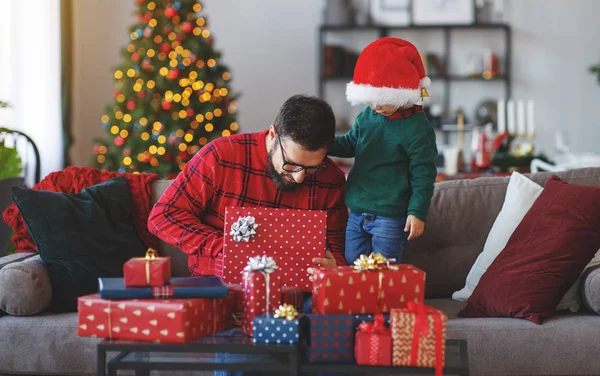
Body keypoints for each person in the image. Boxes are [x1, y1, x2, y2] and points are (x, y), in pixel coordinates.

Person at [148, 94, 348, 376]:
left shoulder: (332, 179)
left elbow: (337, 250)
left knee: (334, 353)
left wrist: (333, 265)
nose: (300, 177)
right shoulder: (220, 157)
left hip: (298, 295)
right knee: (244, 360)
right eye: (292, 164)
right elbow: (162, 216)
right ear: (273, 134)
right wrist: (224, 248)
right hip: (227, 287)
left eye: (312, 168)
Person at [329, 37, 438, 265]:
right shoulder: (367, 116)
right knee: (352, 264)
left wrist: (417, 212)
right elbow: (350, 143)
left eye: (382, 100)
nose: (376, 107)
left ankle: (384, 302)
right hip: (357, 210)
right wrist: (322, 143)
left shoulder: (418, 130)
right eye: (370, 100)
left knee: (385, 270)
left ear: (401, 93)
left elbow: (423, 176)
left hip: (390, 216)